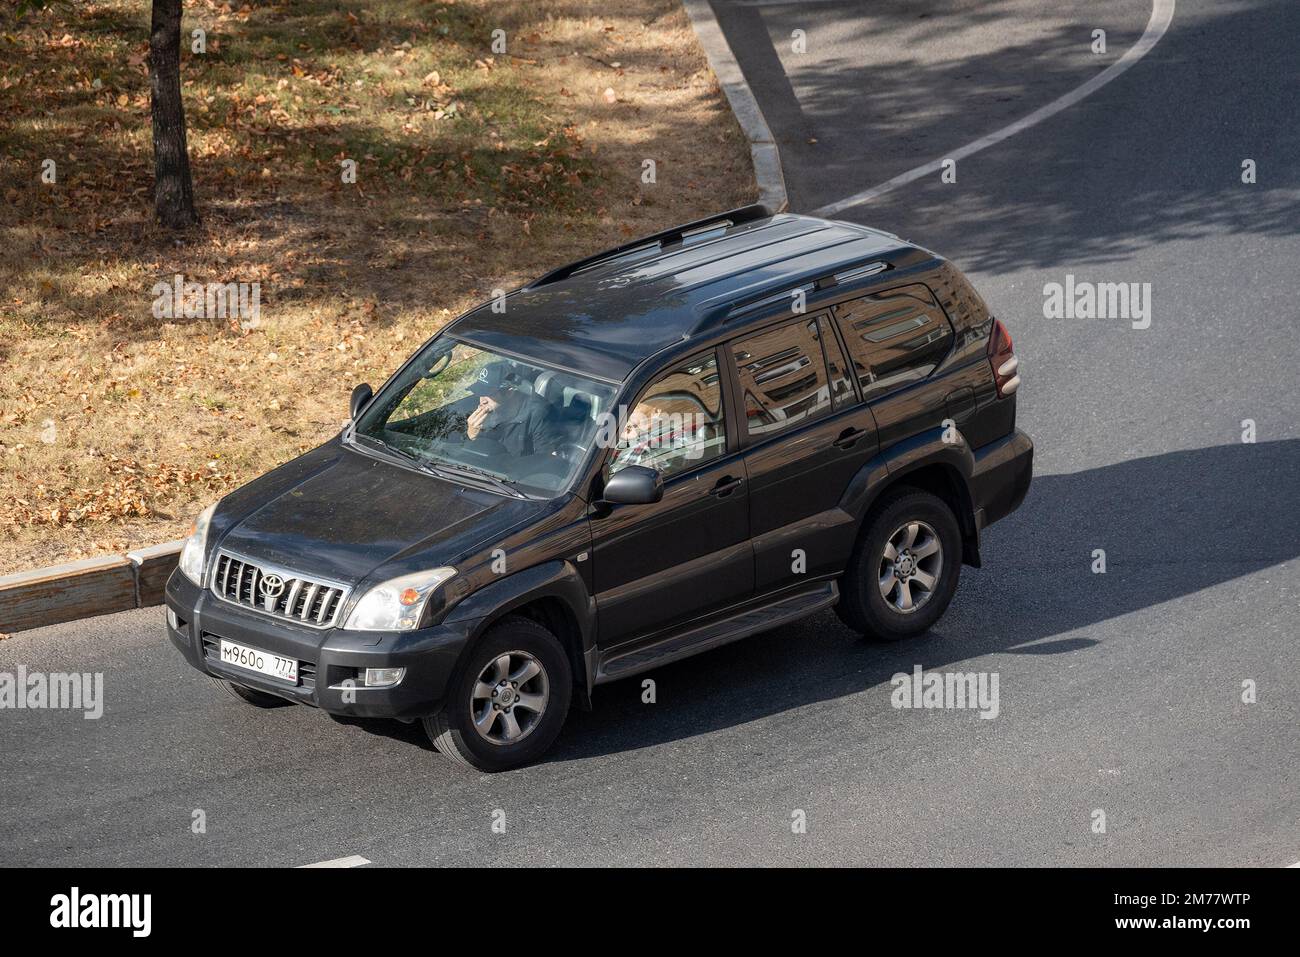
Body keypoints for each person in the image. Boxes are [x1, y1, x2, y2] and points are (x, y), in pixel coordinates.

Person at [461, 362, 562, 458]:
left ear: (510, 392)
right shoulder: (484, 409)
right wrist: (471, 437)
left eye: (489, 394)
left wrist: (476, 440)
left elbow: (545, 462)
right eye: (479, 392)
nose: (482, 401)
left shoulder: (540, 414)